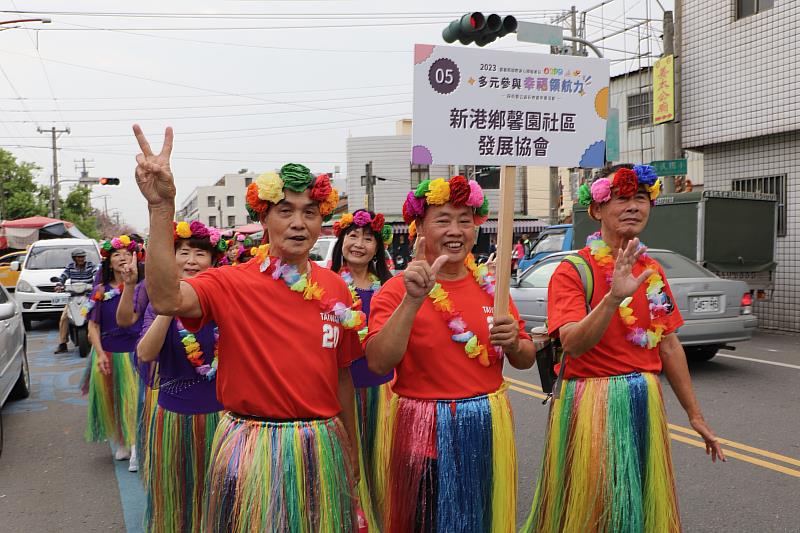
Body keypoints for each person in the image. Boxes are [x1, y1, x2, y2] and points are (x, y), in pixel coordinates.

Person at [132, 124, 364, 532]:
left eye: (309, 212)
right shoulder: (231, 282)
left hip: (323, 445)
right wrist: (161, 208)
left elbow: (342, 376)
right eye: (286, 211)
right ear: (264, 218)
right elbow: (167, 298)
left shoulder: (334, 288)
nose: (298, 223)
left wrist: (351, 452)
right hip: (252, 446)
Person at [521, 164, 725, 533]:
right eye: (621, 198)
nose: (633, 206)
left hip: (642, 399)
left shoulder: (652, 272)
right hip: (590, 402)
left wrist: (695, 415)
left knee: (637, 509)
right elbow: (572, 343)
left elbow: (668, 344)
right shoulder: (573, 270)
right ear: (596, 210)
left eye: (641, 198)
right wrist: (614, 297)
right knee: (591, 509)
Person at [366, 175, 536, 532]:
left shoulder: (494, 287)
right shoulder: (397, 290)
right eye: (442, 220)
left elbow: (524, 358)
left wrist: (515, 343)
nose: (455, 230)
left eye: (464, 220)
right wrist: (413, 301)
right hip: (424, 436)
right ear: (420, 229)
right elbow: (379, 361)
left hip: (485, 430)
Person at [136, 220, 227, 533]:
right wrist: (169, 304)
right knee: (177, 502)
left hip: (224, 418)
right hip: (175, 418)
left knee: (223, 500)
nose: (191, 260)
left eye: (200, 254)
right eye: (183, 252)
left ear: (214, 261)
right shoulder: (156, 305)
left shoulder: (227, 303)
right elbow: (146, 354)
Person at [330, 209, 394, 528]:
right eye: (353, 236)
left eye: (368, 238)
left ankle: (381, 519)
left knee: (381, 468)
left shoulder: (390, 287)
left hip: (382, 391)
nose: (359, 243)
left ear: (377, 248)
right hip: (339, 392)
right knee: (345, 466)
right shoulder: (324, 285)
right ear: (341, 240)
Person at [82, 235, 143, 473]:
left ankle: (136, 444)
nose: (122, 259)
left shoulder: (142, 289)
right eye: (117, 255)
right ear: (109, 262)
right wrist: (100, 354)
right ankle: (123, 441)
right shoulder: (99, 291)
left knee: (135, 401)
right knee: (115, 400)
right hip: (110, 352)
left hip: (136, 354)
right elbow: (93, 327)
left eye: (127, 254)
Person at [54, 249, 97, 353]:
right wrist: (59, 284)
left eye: (82, 257)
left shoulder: (91, 266)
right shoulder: (70, 267)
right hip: (73, 298)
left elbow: (96, 274)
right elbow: (63, 276)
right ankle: (62, 343)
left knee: (98, 315)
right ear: (74, 258)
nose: (81, 259)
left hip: (89, 297)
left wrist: (97, 283)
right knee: (64, 317)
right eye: (78, 257)